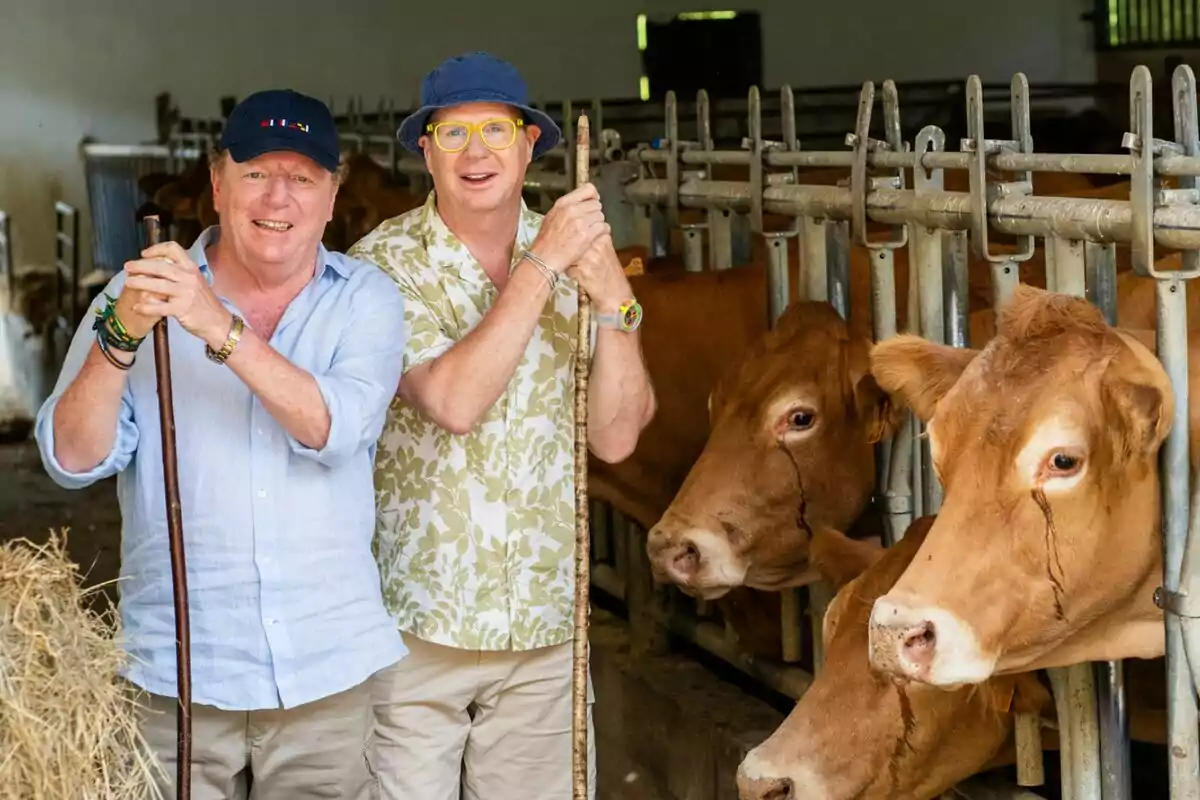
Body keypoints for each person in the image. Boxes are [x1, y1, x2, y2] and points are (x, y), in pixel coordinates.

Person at [33, 88, 408, 799]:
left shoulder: (366, 300)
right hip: (175, 675)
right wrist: (119, 341)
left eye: (302, 178)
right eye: (257, 172)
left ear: (333, 196)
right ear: (216, 183)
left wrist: (217, 326)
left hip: (323, 675)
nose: (279, 198)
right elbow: (70, 459)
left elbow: (332, 428)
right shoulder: (133, 295)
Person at [348, 51, 655, 799]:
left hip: (545, 628)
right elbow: (452, 402)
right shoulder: (381, 268)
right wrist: (541, 267)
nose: (477, 152)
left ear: (529, 144)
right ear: (425, 152)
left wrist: (615, 299)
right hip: (416, 629)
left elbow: (617, 436)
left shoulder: (579, 259)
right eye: (453, 135)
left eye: (495, 130)